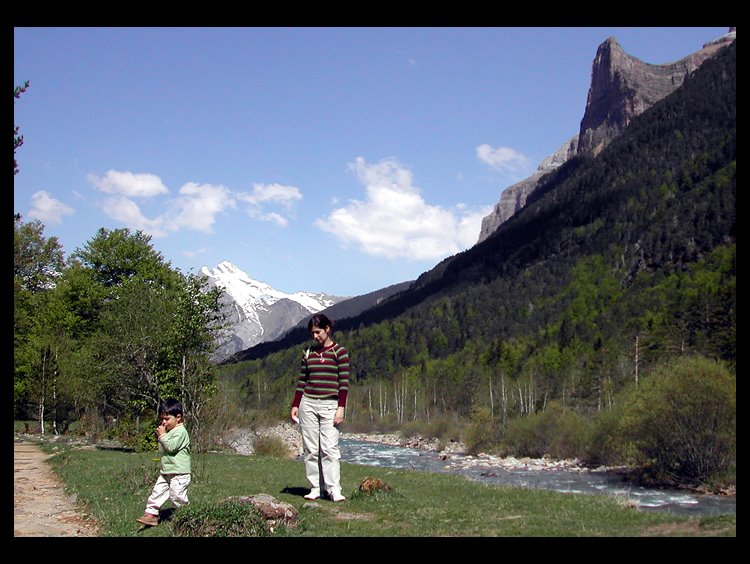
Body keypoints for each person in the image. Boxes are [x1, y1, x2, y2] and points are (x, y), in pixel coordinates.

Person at [290, 314, 350, 502]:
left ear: (327, 329)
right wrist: (295, 404)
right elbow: (302, 380)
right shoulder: (308, 352)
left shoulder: (339, 352)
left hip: (330, 404)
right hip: (307, 403)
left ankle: (334, 489)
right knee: (311, 448)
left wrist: (341, 408)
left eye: (318, 332)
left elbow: (344, 383)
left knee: (330, 448)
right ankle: (316, 487)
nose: (315, 336)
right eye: (312, 333)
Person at [135, 398, 192, 527]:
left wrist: (162, 436)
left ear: (178, 417)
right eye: (162, 419)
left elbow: (171, 447)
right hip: (166, 470)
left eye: (167, 419)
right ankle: (151, 515)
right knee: (157, 492)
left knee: (177, 495)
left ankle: (187, 516)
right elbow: (163, 449)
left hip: (179, 471)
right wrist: (161, 437)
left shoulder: (181, 432)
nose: (164, 422)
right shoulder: (170, 432)